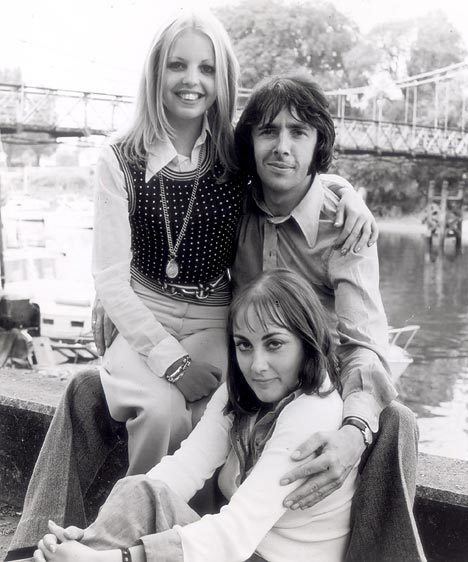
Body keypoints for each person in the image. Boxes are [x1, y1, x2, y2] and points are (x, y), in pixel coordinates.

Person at [5, 11, 379, 561]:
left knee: (206, 415)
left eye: (206, 68)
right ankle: (96, 539)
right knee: (127, 402)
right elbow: (111, 271)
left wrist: (346, 191)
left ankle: (125, 546)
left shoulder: (269, 179)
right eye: (177, 65)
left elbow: (294, 171)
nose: (191, 79)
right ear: (155, 72)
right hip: (183, 326)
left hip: (250, 341)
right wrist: (158, 348)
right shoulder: (160, 162)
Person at [34, 269, 359, 562]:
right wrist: (94, 536)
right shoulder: (241, 391)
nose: (257, 365)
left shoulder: (313, 413)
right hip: (242, 552)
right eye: (244, 346)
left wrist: (113, 558)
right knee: (144, 489)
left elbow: (236, 532)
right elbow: (185, 467)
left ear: (307, 343)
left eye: (274, 344)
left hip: (260, 554)